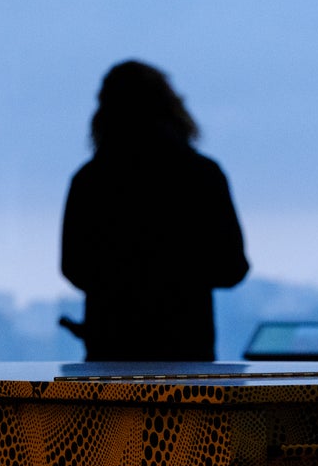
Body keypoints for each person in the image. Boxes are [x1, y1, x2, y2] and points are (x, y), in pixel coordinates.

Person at [60, 60, 249, 361]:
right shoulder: (203, 175)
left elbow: (74, 267)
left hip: (110, 353)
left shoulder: (90, 181)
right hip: (187, 355)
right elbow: (232, 268)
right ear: (171, 107)